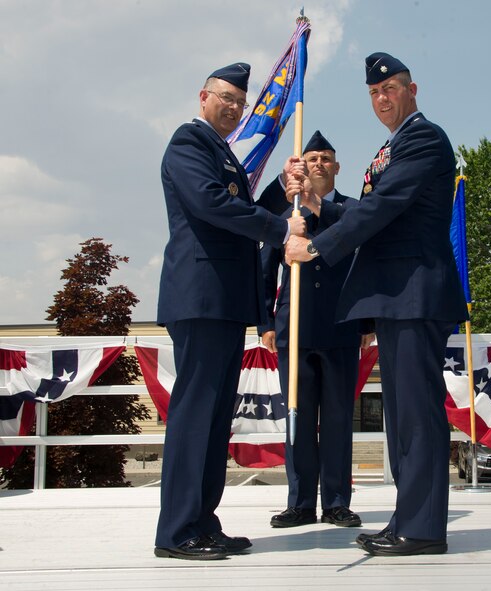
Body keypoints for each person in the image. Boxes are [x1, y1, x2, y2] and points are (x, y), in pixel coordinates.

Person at [285, 52, 467, 556]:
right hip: (394, 295)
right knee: (402, 416)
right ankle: (408, 517)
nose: (381, 98)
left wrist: (318, 244)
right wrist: (312, 202)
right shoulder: (392, 146)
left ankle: (424, 528)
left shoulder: (424, 138)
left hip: (414, 290)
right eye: (373, 93)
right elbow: (368, 208)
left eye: (390, 88)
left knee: (417, 415)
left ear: (413, 89)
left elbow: (385, 207)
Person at [154, 63, 306, 560]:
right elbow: (212, 204)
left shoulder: (221, 153)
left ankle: (202, 521)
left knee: (216, 419)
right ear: (203, 97)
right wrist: (282, 231)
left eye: (241, 102)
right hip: (199, 297)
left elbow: (238, 205)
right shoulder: (188, 144)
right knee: (195, 416)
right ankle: (176, 532)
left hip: (220, 301)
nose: (235, 108)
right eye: (226, 98)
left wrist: (282, 191)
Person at [257, 131, 370, 529]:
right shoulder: (288, 213)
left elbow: (364, 264)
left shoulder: (353, 209)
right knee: (298, 417)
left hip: (341, 325)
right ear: (300, 167)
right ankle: (301, 502)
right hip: (296, 327)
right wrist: (265, 322)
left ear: (337, 167)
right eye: (312, 158)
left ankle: (337, 501)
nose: (318, 164)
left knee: (339, 419)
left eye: (326, 159)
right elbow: (266, 267)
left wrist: (367, 322)